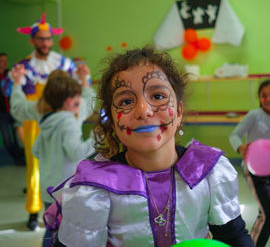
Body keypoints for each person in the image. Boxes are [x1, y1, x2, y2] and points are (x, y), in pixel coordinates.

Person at [44, 47, 254, 247]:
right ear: (112, 121)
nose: (143, 110)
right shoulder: (95, 189)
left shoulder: (208, 172)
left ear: (179, 112)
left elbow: (234, 236)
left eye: (158, 96)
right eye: (126, 101)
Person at [2, 13, 92, 231]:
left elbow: (19, 104)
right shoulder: (24, 65)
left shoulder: (63, 63)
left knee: (52, 164)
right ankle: (34, 210)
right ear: (32, 40)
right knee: (35, 167)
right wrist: (18, 125)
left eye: (48, 38)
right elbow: (12, 96)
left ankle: (54, 217)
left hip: (50, 118)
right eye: (40, 39)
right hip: (37, 118)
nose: (45, 42)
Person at [11, 66, 96, 246]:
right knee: (68, 231)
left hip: (48, 187)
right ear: (69, 100)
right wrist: (95, 137)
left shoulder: (44, 115)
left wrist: (17, 83)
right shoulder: (71, 118)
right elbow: (77, 152)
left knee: (52, 227)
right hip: (67, 188)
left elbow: (35, 149)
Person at [229, 79, 270, 247]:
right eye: (263, 95)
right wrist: (240, 147)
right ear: (259, 98)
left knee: (266, 212)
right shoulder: (254, 115)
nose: (267, 99)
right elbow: (234, 135)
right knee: (268, 214)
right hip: (254, 170)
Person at [0, 52, 25, 166]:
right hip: (2, 113)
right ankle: (17, 158)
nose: (3, 63)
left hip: (13, 111)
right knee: (6, 140)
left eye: (5, 61)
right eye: (1, 61)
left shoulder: (10, 74)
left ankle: (20, 158)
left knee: (18, 138)